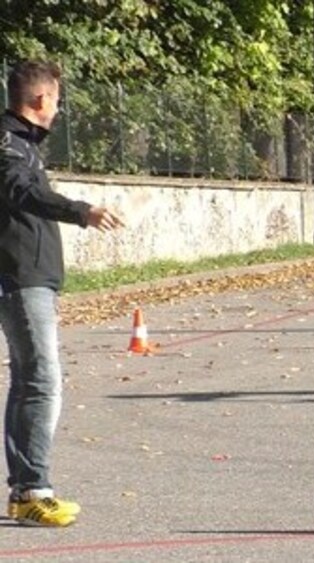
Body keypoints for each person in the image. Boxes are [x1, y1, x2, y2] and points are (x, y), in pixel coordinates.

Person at [0, 60, 124, 527]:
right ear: (40, 100)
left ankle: (23, 491)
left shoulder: (23, 144)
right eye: (56, 98)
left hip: (31, 275)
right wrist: (81, 211)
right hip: (20, 276)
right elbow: (20, 192)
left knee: (30, 381)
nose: (59, 107)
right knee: (41, 381)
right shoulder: (9, 144)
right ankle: (33, 490)